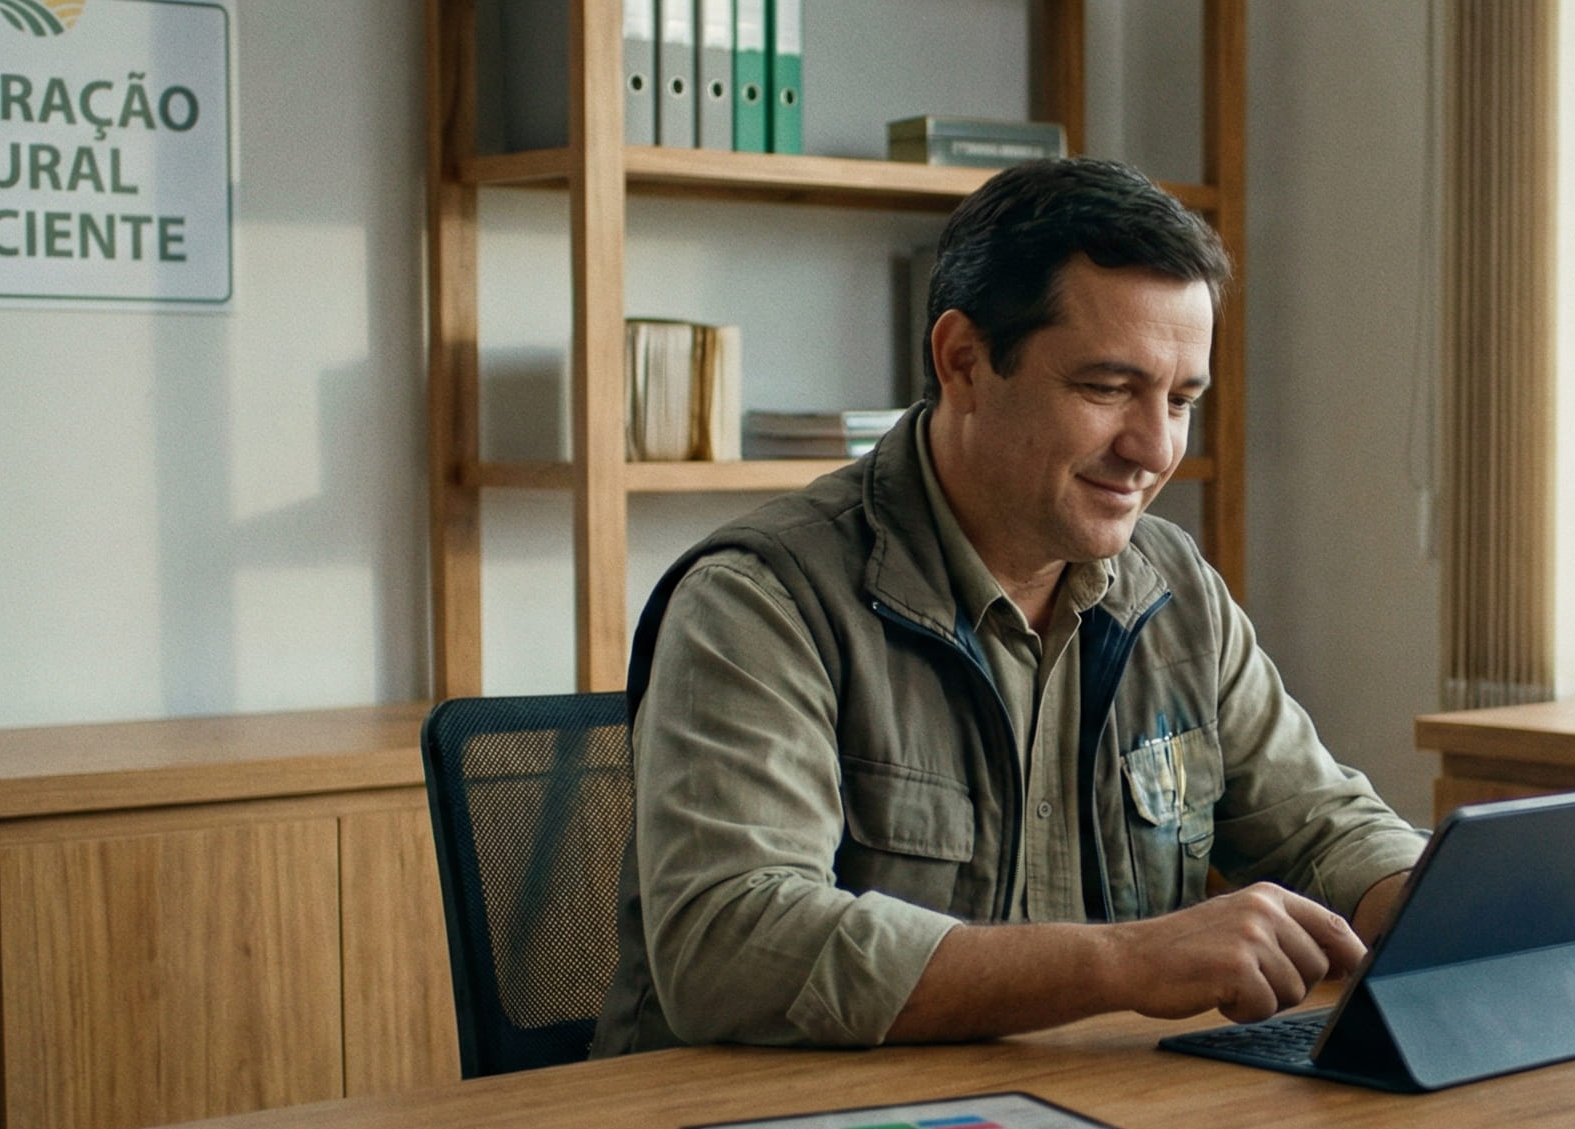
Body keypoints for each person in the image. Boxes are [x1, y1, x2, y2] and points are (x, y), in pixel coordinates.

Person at [591, 157, 1426, 1052]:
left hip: (1066, 1120)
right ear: (964, 363)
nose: (1153, 447)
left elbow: (1317, 824)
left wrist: (1428, 897)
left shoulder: (1174, 590)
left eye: (1180, 400)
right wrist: (1122, 963)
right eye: (1107, 388)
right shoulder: (762, 602)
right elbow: (732, 949)